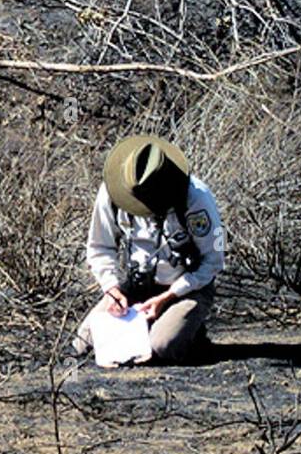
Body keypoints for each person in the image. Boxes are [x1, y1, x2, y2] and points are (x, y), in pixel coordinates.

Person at [73, 134, 224, 363]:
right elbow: (99, 247)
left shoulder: (196, 199)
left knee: (162, 347)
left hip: (186, 287)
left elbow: (213, 261)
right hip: (137, 285)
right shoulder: (111, 193)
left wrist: (168, 296)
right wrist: (112, 289)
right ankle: (157, 324)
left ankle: (188, 331)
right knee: (84, 344)